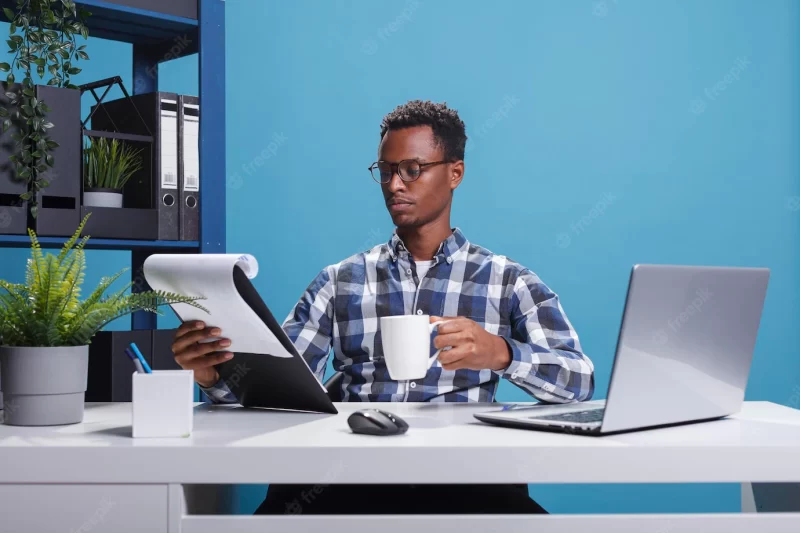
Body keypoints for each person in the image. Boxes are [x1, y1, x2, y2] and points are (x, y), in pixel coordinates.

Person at [171, 100, 595, 514]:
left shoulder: (507, 280)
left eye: (412, 170)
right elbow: (279, 387)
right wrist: (212, 374)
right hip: (351, 476)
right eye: (386, 171)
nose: (394, 185)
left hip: (464, 477)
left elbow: (579, 382)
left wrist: (502, 353)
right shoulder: (339, 280)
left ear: (455, 173)